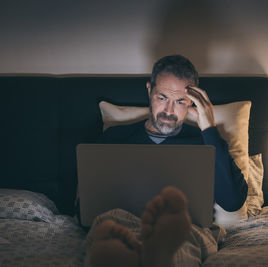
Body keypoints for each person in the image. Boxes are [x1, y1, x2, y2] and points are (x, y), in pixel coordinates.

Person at [85, 55, 248, 266]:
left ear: (193, 102)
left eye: (180, 101)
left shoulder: (207, 142)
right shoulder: (115, 138)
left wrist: (208, 128)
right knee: (109, 239)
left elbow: (232, 201)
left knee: (173, 244)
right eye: (162, 98)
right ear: (149, 90)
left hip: (184, 228)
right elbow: (86, 203)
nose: (169, 111)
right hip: (120, 222)